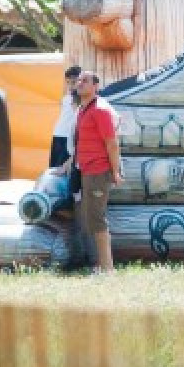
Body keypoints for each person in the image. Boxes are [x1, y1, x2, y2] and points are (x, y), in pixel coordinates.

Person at [72, 70, 123, 273]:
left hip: (98, 171)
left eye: (85, 81)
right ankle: (101, 265)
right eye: (79, 80)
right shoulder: (83, 109)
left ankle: (107, 268)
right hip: (86, 171)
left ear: (95, 86)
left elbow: (112, 143)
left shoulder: (100, 110)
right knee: (91, 218)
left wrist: (115, 172)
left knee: (97, 219)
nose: (80, 83)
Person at [49, 64, 82, 169]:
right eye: (68, 82)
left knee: (67, 167)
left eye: (73, 82)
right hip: (60, 134)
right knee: (56, 167)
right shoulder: (67, 98)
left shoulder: (81, 99)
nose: (70, 86)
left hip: (70, 136)